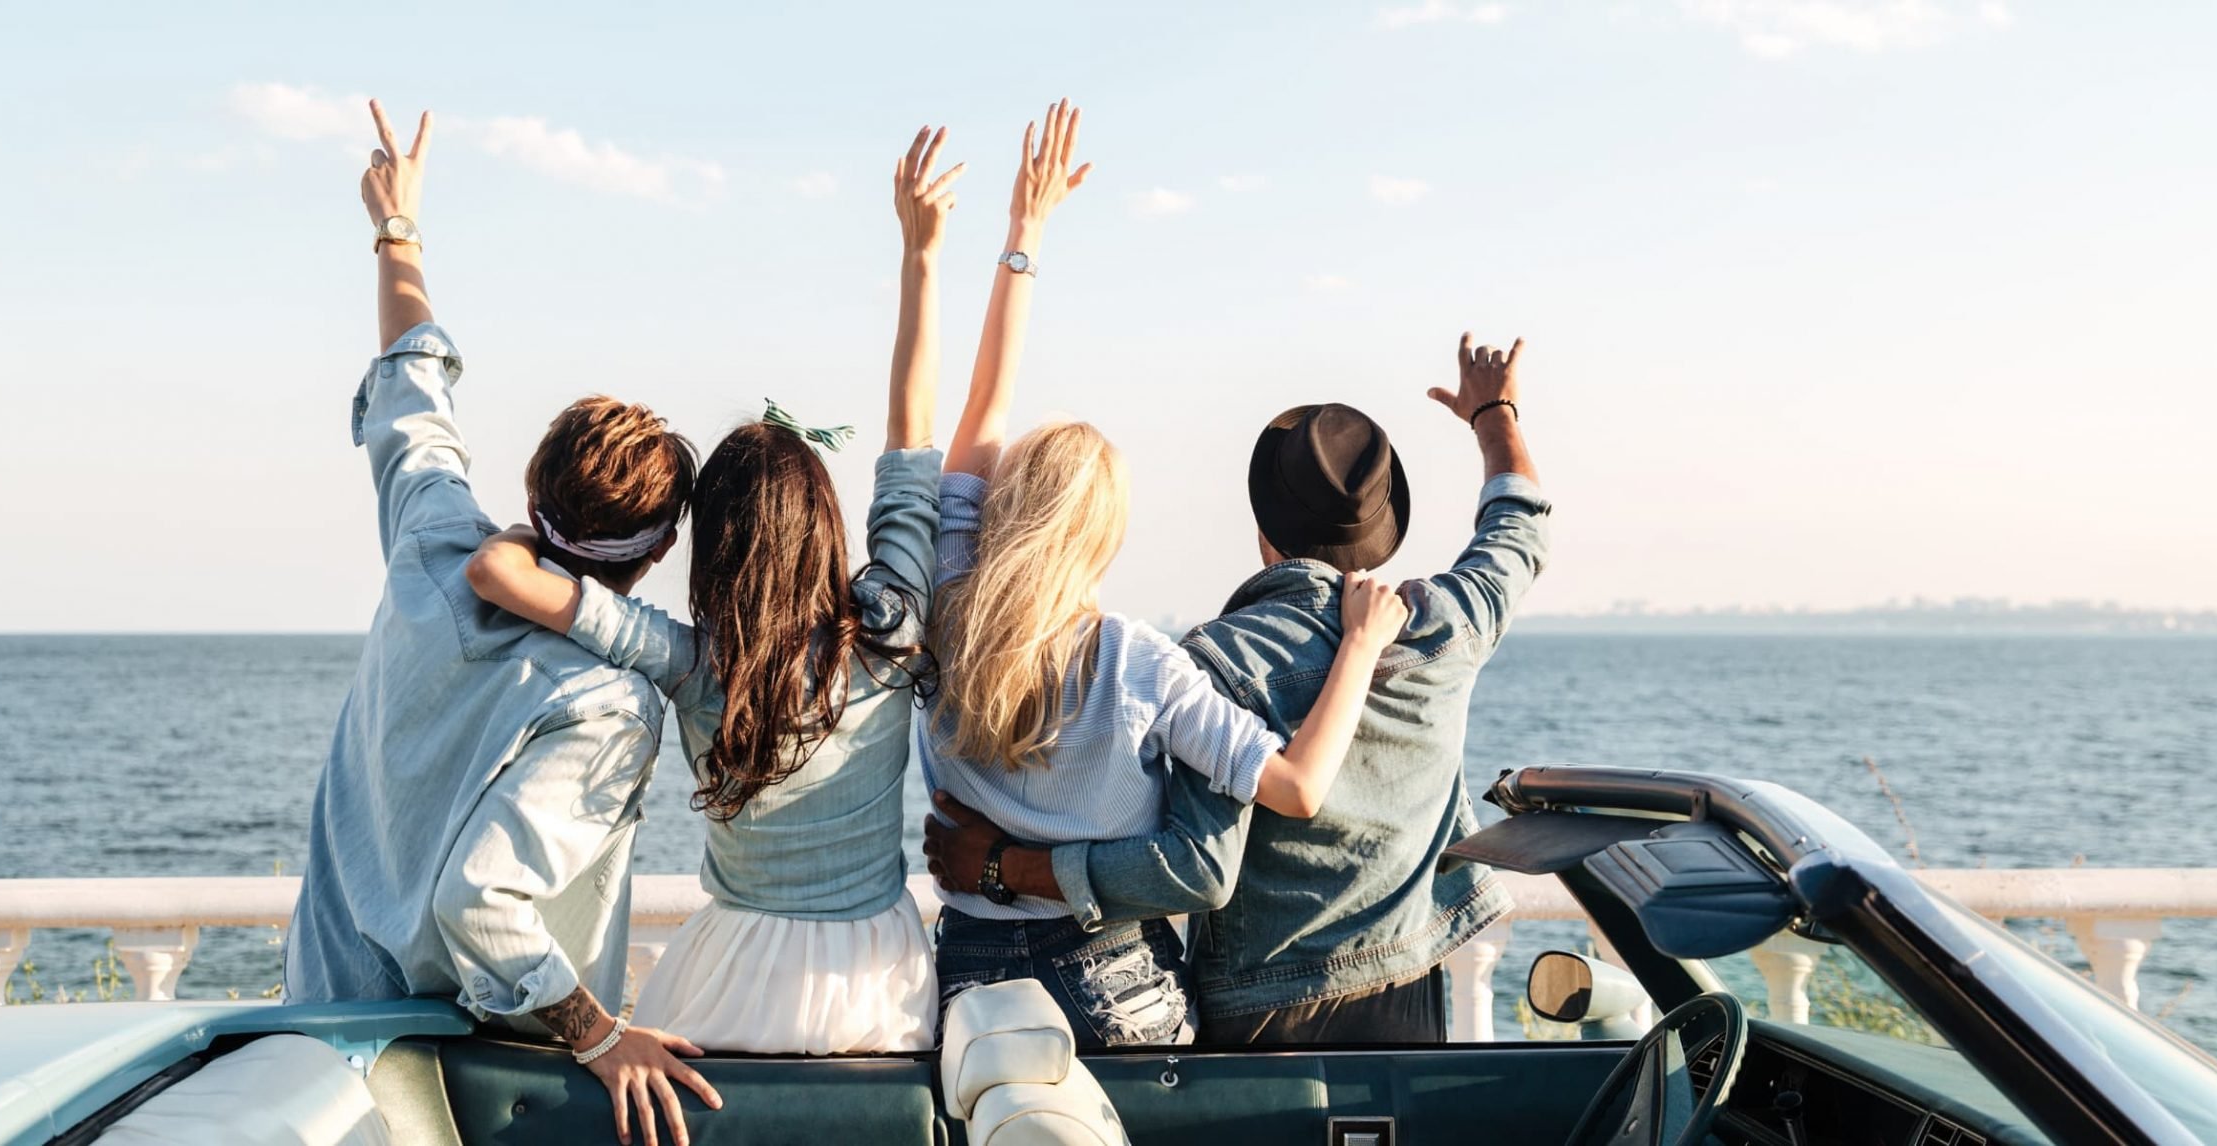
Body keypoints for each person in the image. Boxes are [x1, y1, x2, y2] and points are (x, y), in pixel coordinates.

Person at [458, 126, 967, 1054]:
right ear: (823, 518)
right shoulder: (891, 627)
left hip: (731, 971)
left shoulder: (688, 661)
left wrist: (554, 525)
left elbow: (495, 571)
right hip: (873, 981)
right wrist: (922, 254)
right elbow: (911, 436)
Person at [920, 100, 1411, 1051]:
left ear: (1003, 511)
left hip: (972, 975)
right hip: (1115, 981)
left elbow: (983, 407)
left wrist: (1023, 237)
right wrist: (1358, 645)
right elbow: (1299, 788)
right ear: (1104, 537)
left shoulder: (947, 616)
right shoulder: (1141, 666)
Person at [280, 99, 720, 1146]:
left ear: (532, 485)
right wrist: (600, 1035)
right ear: (659, 553)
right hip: (460, 1086)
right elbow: (480, 906)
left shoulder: (430, 545)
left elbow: (412, 390)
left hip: (307, 1037)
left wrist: (397, 228)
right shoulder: (611, 702)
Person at [922, 335, 1549, 1046]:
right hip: (1409, 984)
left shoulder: (1216, 659)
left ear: (1263, 531)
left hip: (1262, 1008)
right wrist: (1495, 413)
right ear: (1382, 534)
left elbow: (1195, 865)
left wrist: (1006, 867)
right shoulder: (1443, 626)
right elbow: (1518, 530)